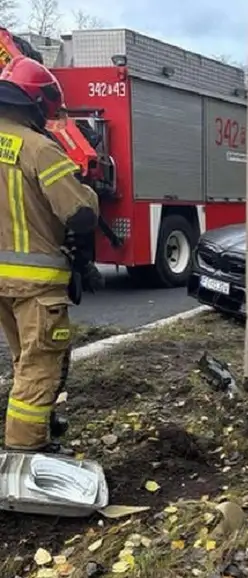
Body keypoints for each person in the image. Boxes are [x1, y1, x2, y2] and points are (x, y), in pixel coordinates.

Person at [0, 55, 100, 452]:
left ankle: (34, 426)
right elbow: (80, 212)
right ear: (38, 104)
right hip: (35, 285)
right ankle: (25, 450)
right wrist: (88, 191)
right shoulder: (40, 149)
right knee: (41, 364)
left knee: (24, 359)